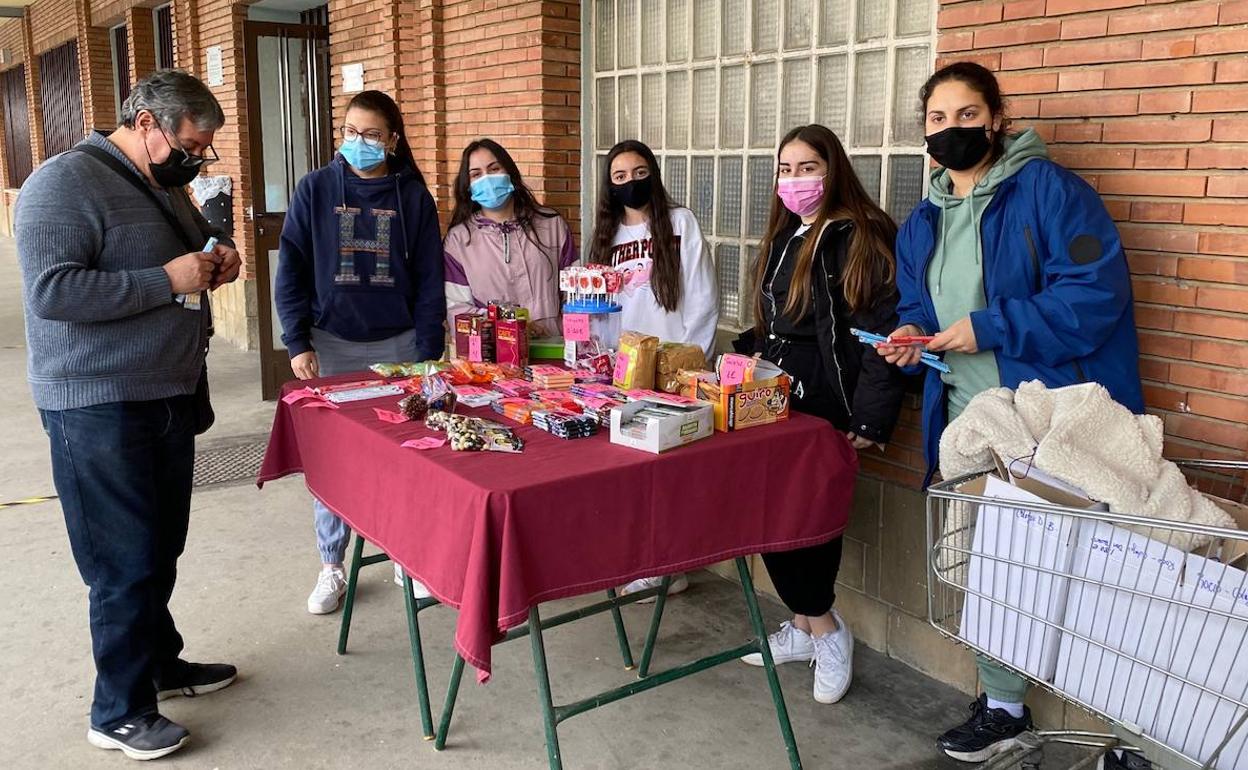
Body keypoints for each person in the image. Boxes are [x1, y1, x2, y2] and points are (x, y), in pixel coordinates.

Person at [877, 62, 1144, 763]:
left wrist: (989, 327)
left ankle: (1115, 731)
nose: (952, 129)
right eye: (938, 119)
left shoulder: (1050, 193)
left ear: (997, 119)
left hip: (1047, 418)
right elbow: (918, 307)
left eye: (968, 115)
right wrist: (910, 337)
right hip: (967, 421)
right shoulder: (922, 222)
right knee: (986, 568)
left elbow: (1094, 296)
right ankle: (1003, 707)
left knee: (1063, 574)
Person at [16, 69, 241, 761]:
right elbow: (53, 292)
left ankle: (159, 663)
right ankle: (117, 711)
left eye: (202, 150)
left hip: (164, 394)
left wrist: (216, 260)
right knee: (123, 562)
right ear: (146, 123)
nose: (195, 160)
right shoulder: (61, 184)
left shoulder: (158, 185)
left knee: (160, 547)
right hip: (96, 404)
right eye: (189, 145)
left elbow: (188, 253)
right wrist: (165, 280)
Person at [735, 125, 906, 704]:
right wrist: (743, 355)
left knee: (807, 517)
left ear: (834, 170)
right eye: (785, 169)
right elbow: (778, 321)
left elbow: (881, 333)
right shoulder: (788, 235)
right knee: (767, 510)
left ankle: (828, 629)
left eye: (807, 167)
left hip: (828, 400)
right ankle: (803, 625)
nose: (794, 180)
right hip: (774, 394)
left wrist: (871, 417)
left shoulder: (861, 235)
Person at [275, 90, 445, 615]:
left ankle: (404, 553)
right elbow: (291, 268)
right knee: (334, 462)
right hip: (333, 345)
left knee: (406, 455)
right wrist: (297, 340)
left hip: (400, 345)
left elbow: (429, 281)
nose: (359, 142)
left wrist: (429, 351)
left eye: (371, 134)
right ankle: (331, 563)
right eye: (351, 131)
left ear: (392, 140)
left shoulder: (413, 197)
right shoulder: (315, 189)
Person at [588, 139, 719, 599]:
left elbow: (703, 300)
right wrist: (601, 364)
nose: (631, 183)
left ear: (655, 174)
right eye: (620, 176)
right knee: (629, 471)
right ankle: (645, 560)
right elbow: (599, 310)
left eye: (640, 173)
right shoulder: (605, 237)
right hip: (623, 374)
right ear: (609, 185)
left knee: (668, 474)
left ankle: (666, 564)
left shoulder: (680, 224)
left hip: (672, 374)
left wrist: (688, 367)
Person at [444, 138, 578, 336]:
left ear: (510, 173)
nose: (487, 179)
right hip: (493, 351)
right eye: (476, 174)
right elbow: (457, 310)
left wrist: (572, 337)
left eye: (494, 169)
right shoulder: (458, 241)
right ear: (468, 186)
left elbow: (576, 293)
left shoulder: (552, 225)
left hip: (553, 347)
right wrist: (511, 325)